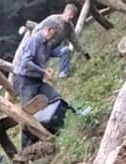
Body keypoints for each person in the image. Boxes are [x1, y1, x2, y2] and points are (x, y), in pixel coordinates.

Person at [11, 18, 64, 148]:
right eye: (54, 33)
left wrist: (45, 69)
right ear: (48, 30)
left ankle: (54, 127)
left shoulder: (46, 44)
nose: (54, 36)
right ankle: (26, 148)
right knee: (28, 113)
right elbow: (26, 62)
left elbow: (40, 61)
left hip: (36, 79)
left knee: (55, 97)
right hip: (25, 80)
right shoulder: (34, 40)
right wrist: (42, 71)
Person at [41, 4, 91, 78]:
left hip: (53, 49)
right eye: (70, 14)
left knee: (66, 50)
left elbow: (75, 41)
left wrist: (85, 53)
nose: (71, 17)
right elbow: (37, 30)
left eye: (73, 16)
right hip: (42, 48)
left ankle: (63, 74)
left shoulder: (69, 27)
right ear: (65, 12)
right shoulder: (52, 19)